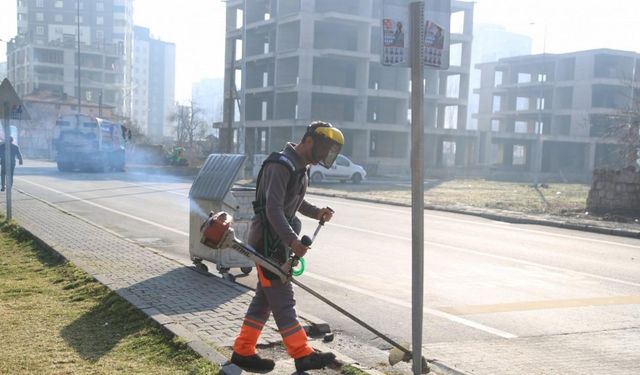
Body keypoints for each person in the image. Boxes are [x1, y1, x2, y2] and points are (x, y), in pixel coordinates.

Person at [231, 121, 345, 372]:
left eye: (329, 152)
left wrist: (317, 213)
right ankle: (302, 353)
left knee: (264, 300)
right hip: (268, 244)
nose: (325, 156)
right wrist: (293, 240)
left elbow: (295, 201)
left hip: (277, 243)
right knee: (283, 300)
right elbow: (273, 209)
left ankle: (242, 350)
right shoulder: (281, 165)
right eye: (323, 149)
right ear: (309, 141)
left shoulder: (298, 166)